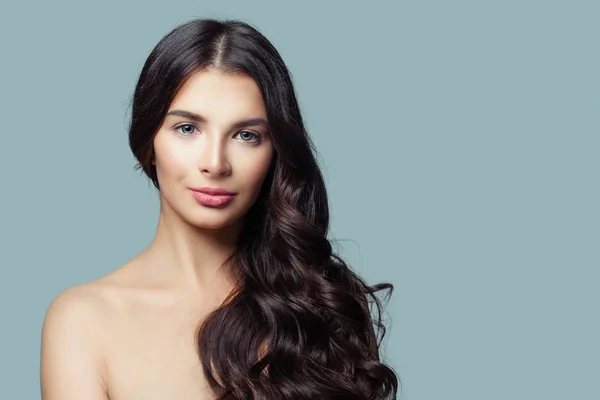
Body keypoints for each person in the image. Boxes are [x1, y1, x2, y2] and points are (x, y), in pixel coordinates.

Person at [40, 18, 399, 400]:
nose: (215, 163)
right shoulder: (83, 321)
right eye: (187, 129)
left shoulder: (319, 300)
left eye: (247, 136)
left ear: (274, 151)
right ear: (149, 140)